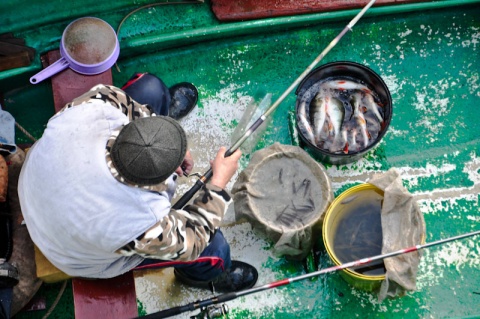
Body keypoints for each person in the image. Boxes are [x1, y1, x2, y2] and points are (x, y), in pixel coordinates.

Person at [18, 73, 258, 293]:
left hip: (34, 185)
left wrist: (165, 145)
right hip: (62, 248)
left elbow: (128, 107)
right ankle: (199, 278)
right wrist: (217, 185)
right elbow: (192, 242)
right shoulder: (139, 221)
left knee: (149, 87)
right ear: (156, 183)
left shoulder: (93, 107)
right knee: (214, 252)